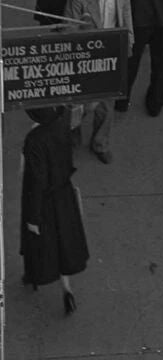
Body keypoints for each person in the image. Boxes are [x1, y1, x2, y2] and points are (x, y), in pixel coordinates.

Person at [20, 107, 89, 315]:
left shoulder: (34, 139)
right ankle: (67, 290)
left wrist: (32, 216)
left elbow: (37, 180)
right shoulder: (62, 124)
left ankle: (33, 275)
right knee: (64, 244)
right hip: (63, 194)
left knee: (41, 244)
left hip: (44, 201)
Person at [66, 0, 133, 163]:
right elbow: (69, 31)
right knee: (79, 104)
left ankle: (100, 143)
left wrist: (128, 39)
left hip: (111, 50)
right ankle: (72, 134)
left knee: (106, 103)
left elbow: (125, 9)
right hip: (87, 54)